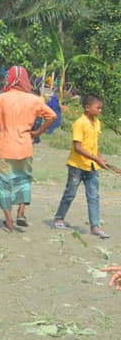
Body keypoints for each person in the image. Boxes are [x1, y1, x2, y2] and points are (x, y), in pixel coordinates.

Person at [0, 65, 58, 232]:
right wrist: (36, 132)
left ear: (9, 79)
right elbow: (52, 116)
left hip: (5, 146)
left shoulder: (1, 99)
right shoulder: (33, 99)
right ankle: (21, 213)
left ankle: (9, 222)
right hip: (25, 145)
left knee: (5, 183)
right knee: (23, 179)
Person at [52, 95, 119, 238]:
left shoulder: (97, 123)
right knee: (70, 194)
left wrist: (101, 160)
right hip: (77, 166)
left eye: (101, 108)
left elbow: (94, 145)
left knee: (93, 196)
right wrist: (96, 158)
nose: (100, 111)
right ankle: (59, 218)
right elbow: (78, 147)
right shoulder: (79, 123)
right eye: (98, 108)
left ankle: (95, 227)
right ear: (87, 108)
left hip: (92, 167)